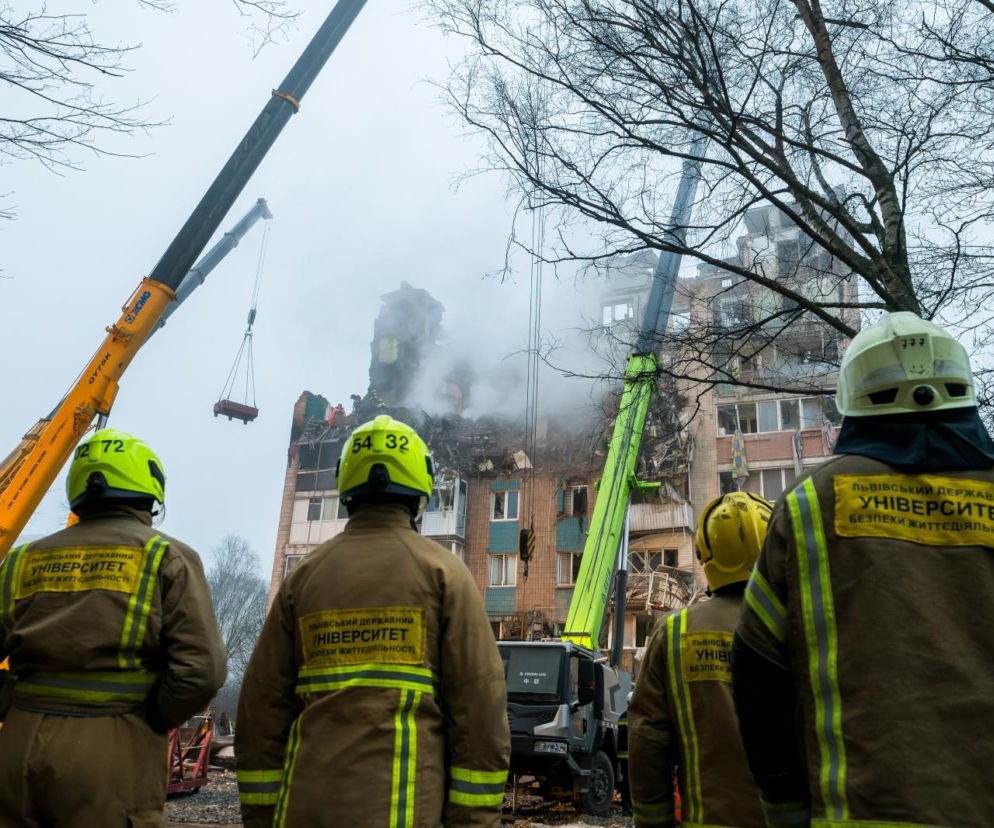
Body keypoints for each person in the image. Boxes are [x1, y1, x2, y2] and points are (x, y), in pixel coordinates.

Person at [733, 311, 994, 827]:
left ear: (851, 399)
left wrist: (783, 806)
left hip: (863, 811)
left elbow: (759, 674)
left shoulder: (813, 501)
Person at [236, 414, 510, 828]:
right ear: (421, 490)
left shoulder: (303, 579)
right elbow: (481, 713)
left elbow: (260, 712)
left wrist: (262, 816)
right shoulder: (445, 574)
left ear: (345, 486)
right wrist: (473, 820)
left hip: (304, 811)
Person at [0, 428, 226, 828]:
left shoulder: (21, 561)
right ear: (148, 488)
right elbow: (201, 671)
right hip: (114, 745)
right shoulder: (166, 558)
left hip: (19, 747)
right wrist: (153, 716)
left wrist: (12, 706)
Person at [628, 491, 771, 828]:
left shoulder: (675, 632)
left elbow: (648, 742)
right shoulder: (800, 627)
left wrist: (652, 822)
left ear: (706, 556)